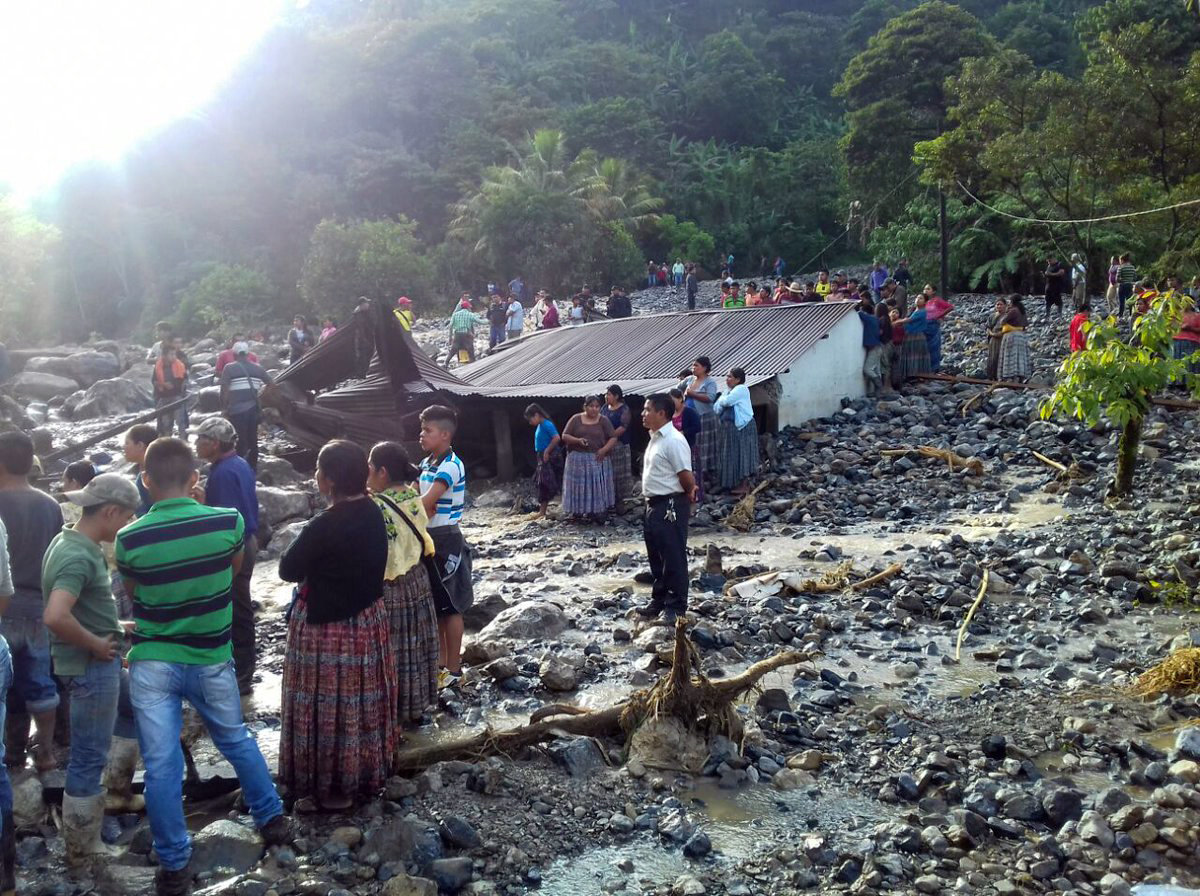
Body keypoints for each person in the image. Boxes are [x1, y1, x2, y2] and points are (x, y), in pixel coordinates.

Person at [115, 438, 290, 896]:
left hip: (153, 662)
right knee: (235, 739)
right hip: (211, 657)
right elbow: (232, 573)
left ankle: (174, 866)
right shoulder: (228, 522)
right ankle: (272, 819)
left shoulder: (129, 538)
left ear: (145, 481)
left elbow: (135, 594)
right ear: (195, 478)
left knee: (160, 765)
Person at [278, 440, 394, 813]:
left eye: (318, 469)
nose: (316, 475)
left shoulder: (323, 525)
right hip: (366, 622)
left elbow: (287, 569)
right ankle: (362, 777)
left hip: (325, 630)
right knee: (358, 702)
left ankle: (328, 787)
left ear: (328, 480)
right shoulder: (374, 511)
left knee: (326, 705)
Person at [41, 474, 140, 866]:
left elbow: (81, 607)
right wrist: (96, 643)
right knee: (87, 755)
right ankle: (83, 847)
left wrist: (114, 626)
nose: (128, 524)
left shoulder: (71, 539)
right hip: (89, 665)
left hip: (97, 659)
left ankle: (117, 792)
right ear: (110, 511)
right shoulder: (78, 555)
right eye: (128, 517)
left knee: (132, 707)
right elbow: (55, 615)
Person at [0, 432, 63, 775]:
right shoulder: (49, 505)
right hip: (40, 606)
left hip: (2, 606)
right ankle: (46, 754)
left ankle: (11, 753)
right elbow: (57, 559)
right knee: (39, 680)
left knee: (5, 683)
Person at [367, 442, 438, 729]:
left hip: (392, 585)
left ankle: (391, 714)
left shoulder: (376, 505)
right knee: (417, 646)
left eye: (370, 468)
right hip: (418, 580)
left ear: (382, 472)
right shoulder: (412, 494)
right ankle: (417, 708)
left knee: (393, 651)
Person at [192, 418, 259, 696]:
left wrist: (202, 505)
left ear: (214, 443)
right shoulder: (238, 464)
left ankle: (242, 673)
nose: (196, 444)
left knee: (237, 609)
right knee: (239, 605)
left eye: (200, 439)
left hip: (236, 546)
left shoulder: (223, 473)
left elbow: (226, 520)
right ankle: (241, 669)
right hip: (247, 540)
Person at [418, 406, 473, 687]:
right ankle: (440, 664)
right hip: (429, 537)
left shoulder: (451, 465)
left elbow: (426, 501)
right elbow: (419, 498)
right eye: (422, 429)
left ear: (445, 434)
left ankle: (453, 669)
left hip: (446, 539)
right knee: (437, 604)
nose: (421, 435)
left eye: (427, 430)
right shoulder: (427, 462)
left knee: (451, 606)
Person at [634, 394, 699, 623]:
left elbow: (685, 475)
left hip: (670, 503)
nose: (643, 414)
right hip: (653, 504)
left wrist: (689, 492)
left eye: (647, 410)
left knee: (673, 556)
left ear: (661, 413)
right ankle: (659, 600)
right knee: (657, 556)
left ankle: (676, 607)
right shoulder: (655, 438)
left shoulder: (673, 440)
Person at [561, 397, 618, 521]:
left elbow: (613, 437)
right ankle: (577, 511)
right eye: (591, 406)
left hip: (597, 458)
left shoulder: (603, 420)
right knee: (579, 486)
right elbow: (564, 435)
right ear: (585, 407)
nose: (594, 409)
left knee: (596, 486)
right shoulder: (576, 419)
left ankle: (596, 511)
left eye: (597, 406)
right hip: (578, 459)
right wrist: (578, 440)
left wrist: (604, 450)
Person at [220, 342, 273, 471]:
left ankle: (239, 468)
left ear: (234, 354)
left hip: (236, 410)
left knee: (239, 440)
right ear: (248, 354)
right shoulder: (258, 368)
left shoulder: (229, 368)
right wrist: (260, 396)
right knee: (252, 439)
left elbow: (224, 390)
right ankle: (252, 469)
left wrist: (224, 409)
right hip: (254, 409)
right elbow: (271, 384)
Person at [712, 368, 758, 495]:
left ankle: (744, 484)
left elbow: (726, 402)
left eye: (730, 377)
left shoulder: (741, 389)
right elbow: (716, 408)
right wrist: (723, 398)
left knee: (742, 453)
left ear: (738, 379)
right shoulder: (728, 391)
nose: (727, 379)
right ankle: (731, 482)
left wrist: (723, 399)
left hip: (742, 428)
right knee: (730, 454)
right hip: (729, 428)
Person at [680, 357, 719, 490]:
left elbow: (710, 398)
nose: (693, 368)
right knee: (691, 443)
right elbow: (677, 389)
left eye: (696, 365)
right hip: (690, 417)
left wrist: (693, 394)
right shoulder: (690, 380)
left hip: (704, 417)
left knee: (703, 445)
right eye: (693, 365)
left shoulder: (710, 382)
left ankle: (705, 473)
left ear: (704, 368)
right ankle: (692, 471)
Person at [524, 404, 564, 519]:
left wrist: (547, 451)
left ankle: (543, 511)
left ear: (536, 415)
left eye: (531, 419)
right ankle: (543, 511)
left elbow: (556, 438)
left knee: (545, 483)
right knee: (543, 484)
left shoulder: (547, 424)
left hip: (548, 457)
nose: (530, 422)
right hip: (542, 456)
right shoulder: (541, 425)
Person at [669, 388, 704, 503]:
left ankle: (696, 497)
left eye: (673, 400)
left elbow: (697, 427)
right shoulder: (669, 414)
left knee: (692, 472)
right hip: (674, 449)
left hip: (688, 447)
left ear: (680, 399)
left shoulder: (689, 412)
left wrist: (684, 432)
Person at [602, 386, 634, 502]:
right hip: (605, 445)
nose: (606, 396)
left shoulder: (624, 409)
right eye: (606, 394)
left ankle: (623, 500)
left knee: (620, 474)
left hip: (620, 445)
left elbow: (623, 427)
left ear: (616, 396)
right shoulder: (604, 408)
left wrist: (610, 437)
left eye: (609, 394)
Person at [152, 343, 189, 438]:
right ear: (164, 356)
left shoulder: (179, 365)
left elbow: (185, 380)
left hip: (177, 397)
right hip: (163, 398)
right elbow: (154, 381)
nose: (174, 356)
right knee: (166, 423)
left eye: (174, 354)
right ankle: (167, 440)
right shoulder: (158, 366)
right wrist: (163, 384)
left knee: (181, 421)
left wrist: (180, 389)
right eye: (171, 354)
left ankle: (184, 440)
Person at [894, 296, 933, 382]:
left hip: (916, 336)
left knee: (915, 355)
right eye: (917, 298)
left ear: (925, 302)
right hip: (910, 335)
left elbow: (908, 320)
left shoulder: (922, 312)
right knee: (912, 355)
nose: (918, 299)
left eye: (921, 298)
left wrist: (894, 322)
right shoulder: (915, 310)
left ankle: (916, 374)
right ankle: (913, 374)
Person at [123, 424, 158, 517]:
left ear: (140, 445)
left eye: (127, 443)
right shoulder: (144, 474)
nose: (124, 447)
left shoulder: (152, 476)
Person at [997, 295, 1032, 381]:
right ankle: (1021, 375)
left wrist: (1007, 311)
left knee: (1011, 356)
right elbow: (1026, 324)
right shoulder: (1022, 311)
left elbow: (1002, 321)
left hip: (1011, 335)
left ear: (1012, 302)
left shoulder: (1013, 310)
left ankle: (1011, 376)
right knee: (1020, 356)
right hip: (1021, 336)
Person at [921, 285, 953, 373]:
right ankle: (925, 367)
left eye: (928, 289)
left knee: (934, 346)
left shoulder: (937, 300)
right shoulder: (925, 301)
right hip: (924, 325)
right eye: (924, 289)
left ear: (933, 291)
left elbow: (950, 307)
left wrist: (940, 315)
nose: (925, 290)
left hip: (933, 325)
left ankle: (934, 368)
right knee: (925, 346)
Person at [449, 298, 484, 362]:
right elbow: (480, 321)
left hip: (457, 334)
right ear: (467, 307)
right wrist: (488, 321)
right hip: (466, 334)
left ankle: (446, 362)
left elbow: (450, 326)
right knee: (470, 349)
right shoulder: (470, 314)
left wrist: (450, 337)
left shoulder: (455, 314)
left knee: (454, 349)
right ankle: (472, 361)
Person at [859, 304, 883, 396]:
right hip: (878, 347)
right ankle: (878, 392)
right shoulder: (875, 319)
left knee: (867, 369)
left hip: (874, 348)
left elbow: (859, 313)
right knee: (876, 370)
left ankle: (879, 386)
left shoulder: (868, 318)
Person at [987, 297, 1009, 378]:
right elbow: (988, 327)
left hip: (1002, 340)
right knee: (992, 357)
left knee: (1000, 357)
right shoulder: (992, 316)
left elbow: (1007, 329)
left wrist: (997, 334)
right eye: (997, 304)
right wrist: (992, 334)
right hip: (993, 340)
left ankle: (1000, 376)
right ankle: (991, 375)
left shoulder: (1007, 317)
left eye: (1001, 304)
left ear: (1005, 306)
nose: (999, 306)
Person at [875, 302, 894, 393]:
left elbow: (880, 332)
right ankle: (887, 386)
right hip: (889, 343)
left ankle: (886, 386)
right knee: (887, 365)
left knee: (885, 366)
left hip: (884, 344)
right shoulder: (887, 319)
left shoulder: (882, 320)